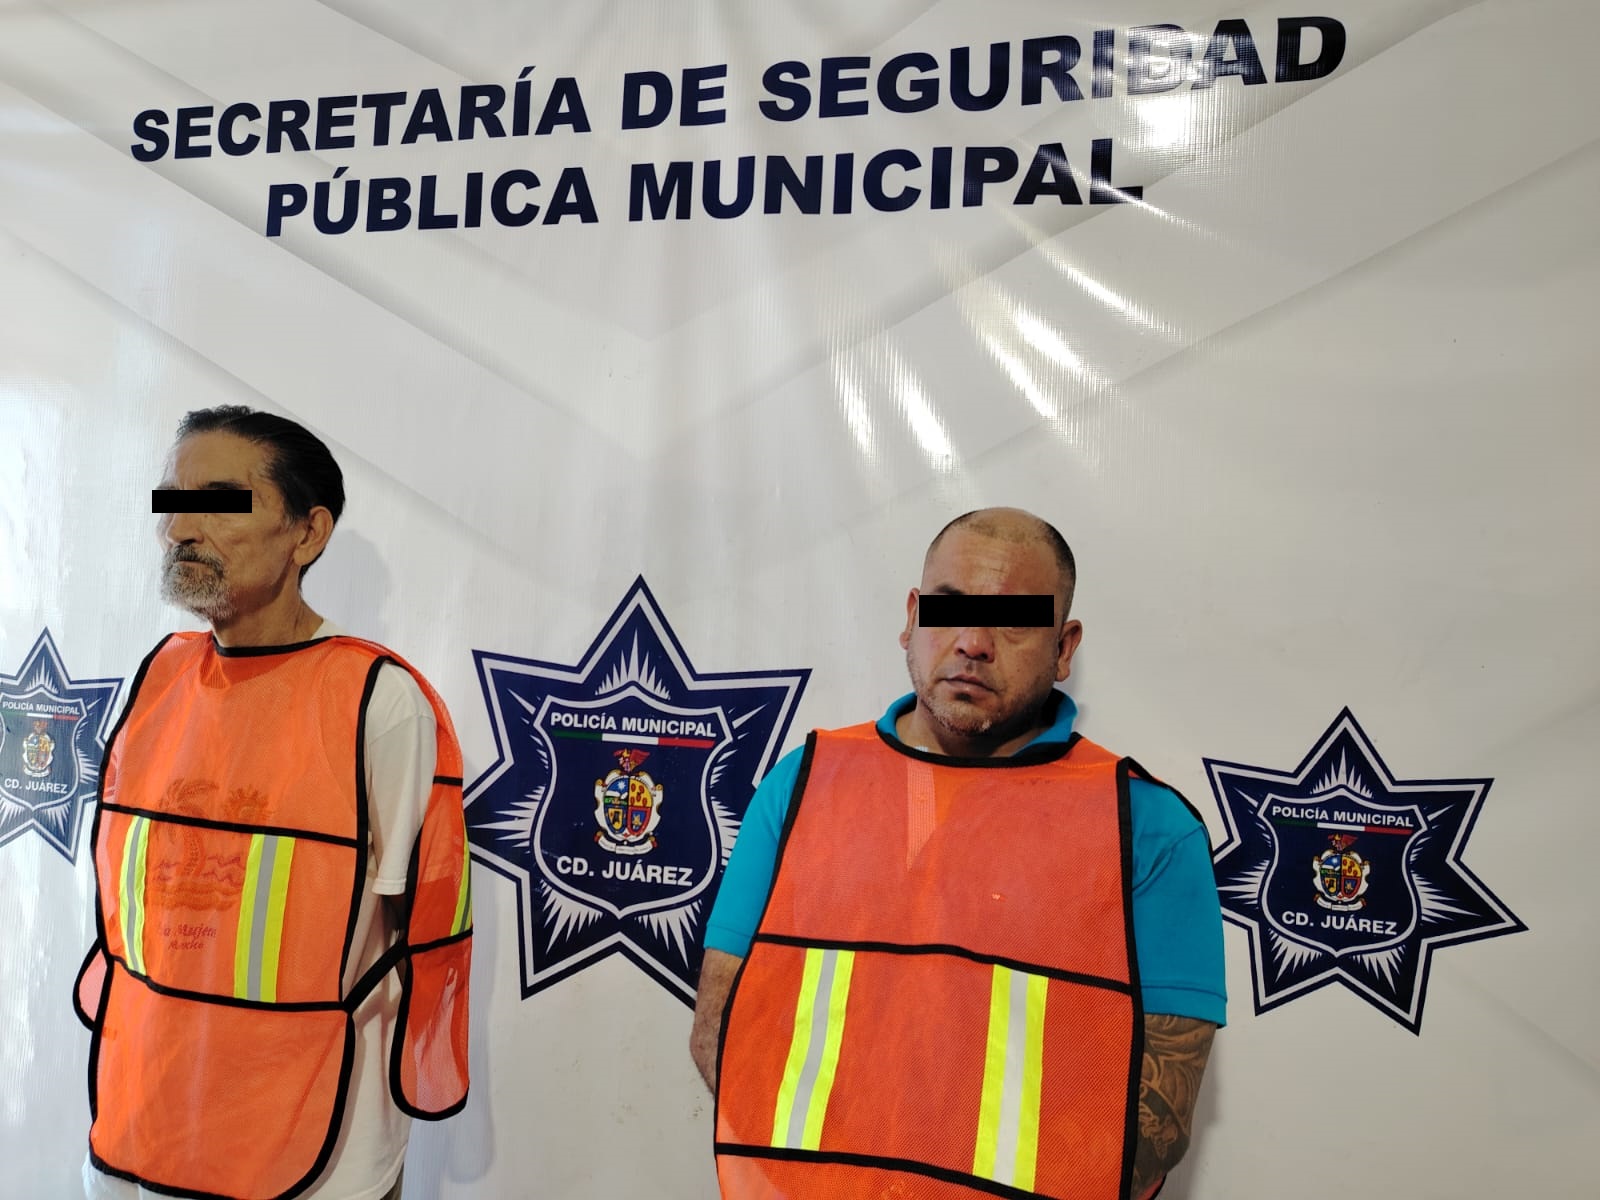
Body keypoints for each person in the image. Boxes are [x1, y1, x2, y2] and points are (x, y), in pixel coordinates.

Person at [692, 507, 1224, 1200]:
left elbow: (1155, 1123)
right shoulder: (802, 783)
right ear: (912, 617)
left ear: (1064, 647)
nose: (972, 642)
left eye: (1014, 621)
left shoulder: (1148, 830)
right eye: (949, 609)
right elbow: (722, 1032)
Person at [74, 407, 472, 1200]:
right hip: (143, 1112)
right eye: (171, 503)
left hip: (315, 1141)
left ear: (308, 534)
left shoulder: (379, 702)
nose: (179, 528)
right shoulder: (157, 680)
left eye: (220, 503)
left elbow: (410, 932)